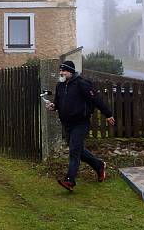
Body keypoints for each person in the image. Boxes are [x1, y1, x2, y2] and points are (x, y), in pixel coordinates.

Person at [47, 60, 115, 192]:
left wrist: (108, 114)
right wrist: (52, 106)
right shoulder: (60, 86)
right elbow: (57, 102)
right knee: (79, 151)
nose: (61, 73)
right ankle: (99, 165)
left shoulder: (82, 84)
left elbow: (96, 99)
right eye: (60, 71)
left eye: (64, 71)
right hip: (67, 124)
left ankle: (69, 181)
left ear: (71, 72)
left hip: (80, 123)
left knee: (74, 152)